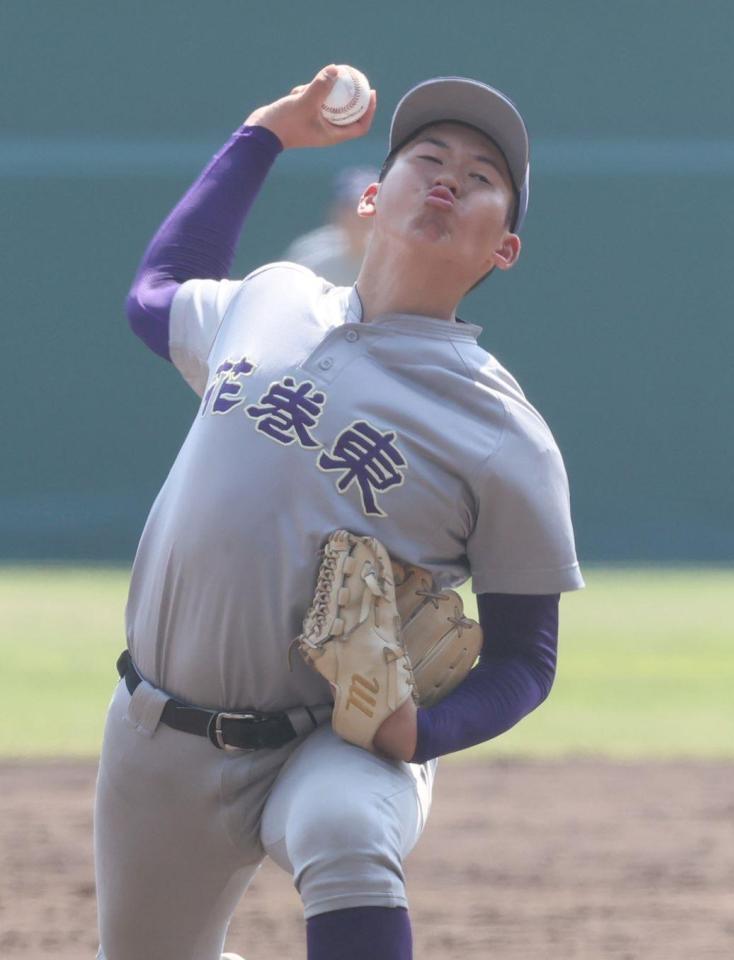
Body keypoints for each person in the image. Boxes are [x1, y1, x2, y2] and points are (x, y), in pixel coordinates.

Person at [99, 65, 584, 960]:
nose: (448, 176)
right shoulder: (274, 299)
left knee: (345, 836)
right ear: (371, 196)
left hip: (336, 738)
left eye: (480, 179)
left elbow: (526, 659)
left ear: (502, 249)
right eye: (427, 157)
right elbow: (155, 293)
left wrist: (421, 730)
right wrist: (262, 134)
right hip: (159, 734)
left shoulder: (502, 433)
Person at [283, 165, 378, 285]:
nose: (361, 216)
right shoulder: (310, 257)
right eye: (352, 208)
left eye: (370, 206)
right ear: (337, 212)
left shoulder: (398, 258)